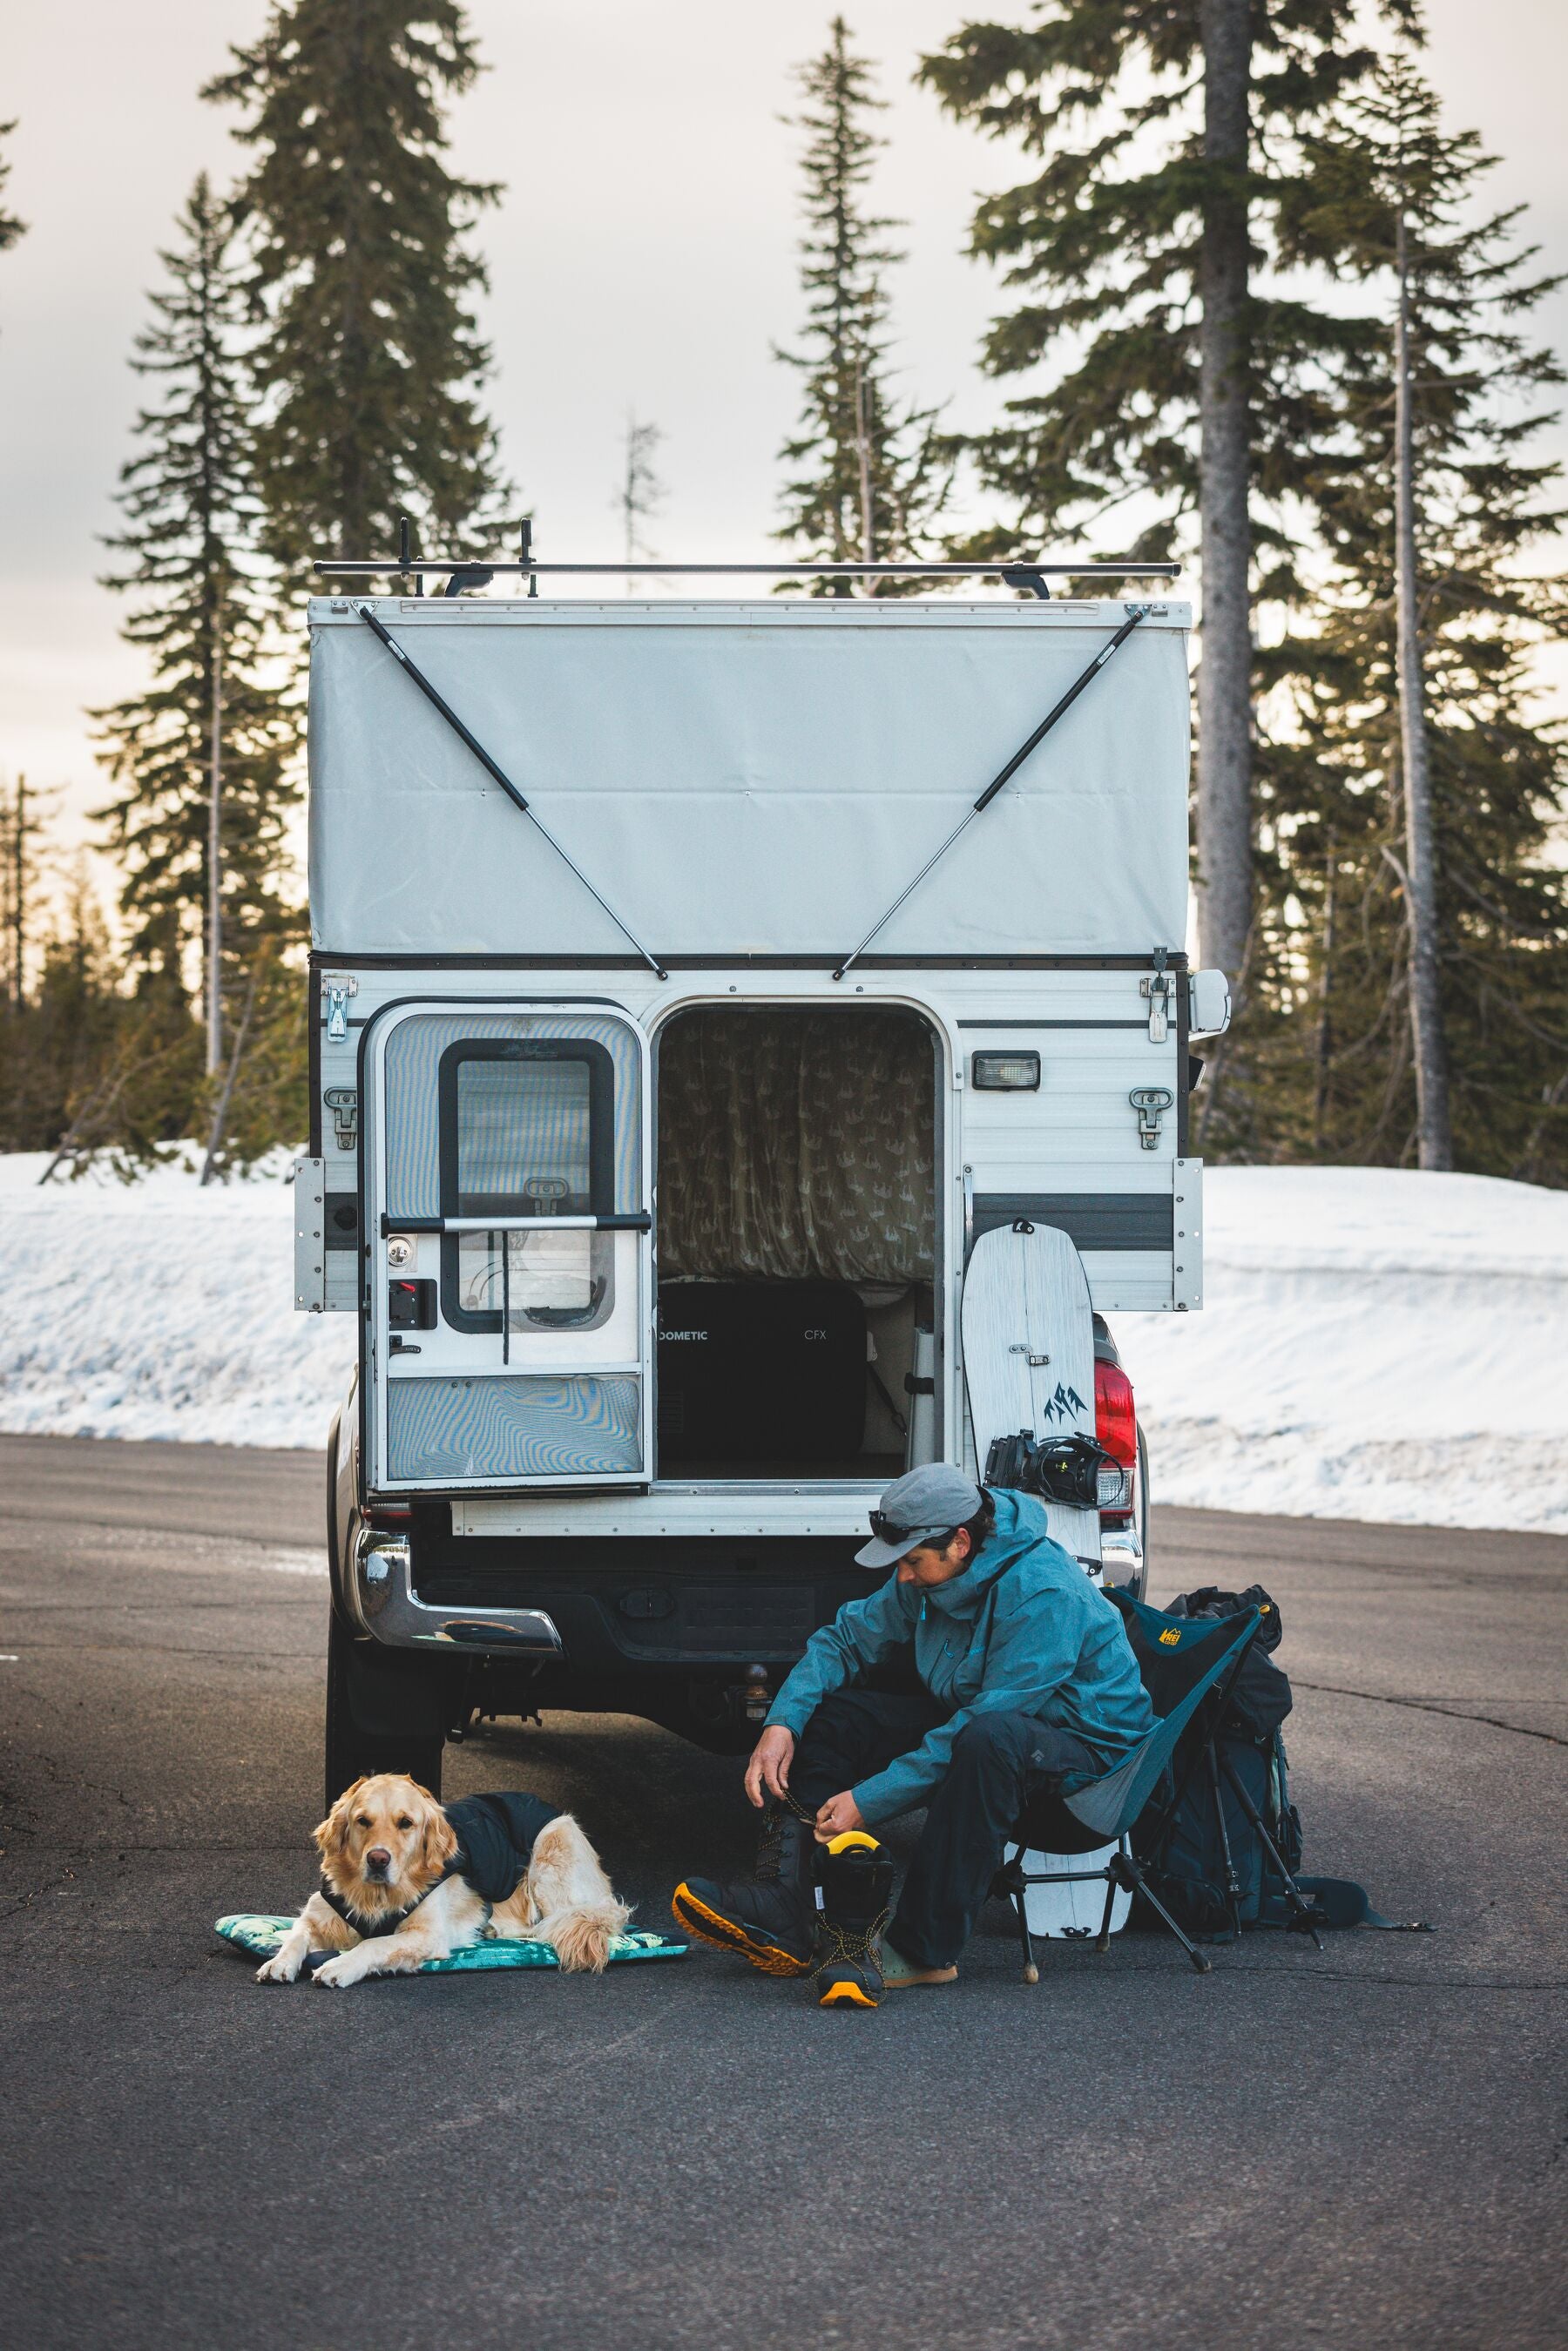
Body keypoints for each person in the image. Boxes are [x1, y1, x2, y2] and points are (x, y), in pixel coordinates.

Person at [672, 1463, 1155, 2006]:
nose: (902, 1576)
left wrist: (867, 1802)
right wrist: (782, 1723)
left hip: (1089, 1761)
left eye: (911, 1562)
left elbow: (981, 1725)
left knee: (986, 1741)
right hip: (992, 1724)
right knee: (839, 1718)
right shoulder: (935, 1565)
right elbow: (845, 1640)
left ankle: (926, 1949)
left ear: (961, 1542)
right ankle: (788, 1907)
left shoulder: (1043, 1593)